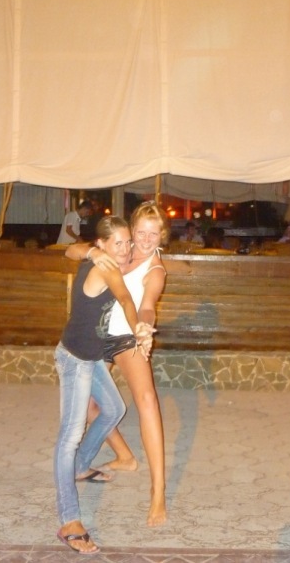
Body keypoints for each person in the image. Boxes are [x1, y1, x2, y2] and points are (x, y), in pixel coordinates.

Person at [54, 216, 154, 554]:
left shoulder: (105, 259)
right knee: (69, 436)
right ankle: (69, 520)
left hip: (92, 357)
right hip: (75, 359)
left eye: (128, 242)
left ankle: (81, 467)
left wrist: (90, 251)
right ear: (102, 245)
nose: (124, 249)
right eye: (117, 243)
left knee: (114, 408)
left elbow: (73, 250)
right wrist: (138, 329)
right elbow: (125, 299)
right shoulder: (105, 267)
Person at [66, 201, 169, 527]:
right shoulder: (118, 249)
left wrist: (144, 327)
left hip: (127, 337)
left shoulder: (155, 270)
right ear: (132, 230)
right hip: (98, 337)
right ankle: (125, 456)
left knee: (147, 401)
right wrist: (92, 252)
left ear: (162, 235)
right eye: (141, 232)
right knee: (90, 406)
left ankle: (158, 491)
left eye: (154, 234)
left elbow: (148, 304)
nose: (146, 240)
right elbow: (71, 250)